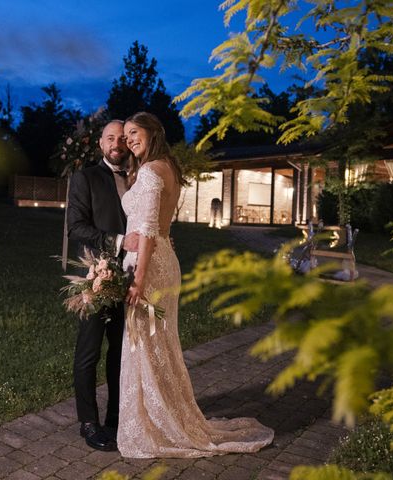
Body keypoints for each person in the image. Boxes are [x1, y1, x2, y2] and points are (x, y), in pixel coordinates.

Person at [118, 112, 274, 458]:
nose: (129, 139)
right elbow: (156, 226)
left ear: (152, 131)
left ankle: (156, 423)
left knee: (145, 342)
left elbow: (145, 230)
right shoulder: (169, 167)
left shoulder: (148, 171)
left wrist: (138, 280)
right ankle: (168, 413)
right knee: (161, 342)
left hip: (150, 267)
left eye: (134, 133)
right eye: (126, 135)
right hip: (166, 260)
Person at [66, 120, 135, 451]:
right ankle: (88, 423)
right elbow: (76, 228)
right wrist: (119, 241)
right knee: (88, 353)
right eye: (111, 138)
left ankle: (115, 420)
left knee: (121, 352)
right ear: (100, 143)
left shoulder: (137, 177)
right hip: (97, 276)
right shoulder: (86, 178)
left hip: (132, 279)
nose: (117, 143)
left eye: (122, 138)